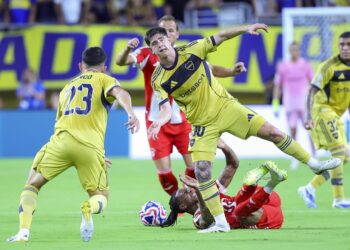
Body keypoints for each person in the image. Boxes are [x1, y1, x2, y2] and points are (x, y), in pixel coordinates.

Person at [145, 24, 341, 233]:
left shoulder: (193, 49)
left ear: (168, 40)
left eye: (161, 40)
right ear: (153, 50)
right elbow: (165, 109)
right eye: (155, 44)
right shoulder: (158, 79)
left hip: (227, 107)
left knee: (273, 133)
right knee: (202, 172)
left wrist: (245, 28)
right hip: (202, 125)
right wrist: (158, 121)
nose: (160, 45)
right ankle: (220, 223)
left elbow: (220, 35)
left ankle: (313, 164)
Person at [6, 47, 140, 243]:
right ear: (104, 67)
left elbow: (62, 121)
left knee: (32, 185)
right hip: (90, 148)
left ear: (80, 66)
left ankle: (23, 232)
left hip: (61, 142)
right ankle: (88, 208)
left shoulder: (66, 88)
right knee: (100, 195)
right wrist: (131, 113)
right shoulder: (104, 79)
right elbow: (121, 93)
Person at [116, 15, 246, 196]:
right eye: (163, 31)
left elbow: (211, 68)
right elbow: (121, 61)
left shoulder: (186, 53)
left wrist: (231, 71)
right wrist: (126, 49)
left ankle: (191, 199)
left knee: (194, 166)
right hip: (157, 121)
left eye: (170, 31)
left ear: (177, 34)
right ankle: (179, 202)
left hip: (183, 120)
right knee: (164, 172)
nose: (166, 35)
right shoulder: (148, 53)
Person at [160, 140, 287, 230]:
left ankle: (254, 184)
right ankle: (270, 182)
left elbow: (232, 165)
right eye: (185, 192)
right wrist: (198, 189)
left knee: (239, 201)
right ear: (183, 205)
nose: (189, 190)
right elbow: (208, 217)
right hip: (264, 217)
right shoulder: (197, 219)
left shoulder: (210, 191)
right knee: (238, 213)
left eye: (188, 189)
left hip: (266, 200)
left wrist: (224, 147)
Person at [298, 31, 350, 209]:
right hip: (321, 111)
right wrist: (308, 117)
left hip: (335, 115)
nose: (345, 48)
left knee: (344, 157)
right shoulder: (328, 66)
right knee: (340, 152)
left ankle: (309, 188)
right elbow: (311, 91)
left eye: (348, 45)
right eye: (342, 44)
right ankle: (339, 199)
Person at [273, 41, 314, 169]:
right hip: (290, 103)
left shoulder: (306, 65)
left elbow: (312, 84)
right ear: (289, 51)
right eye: (292, 50)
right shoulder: (283, 66)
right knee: (293, 130)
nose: (294, 52)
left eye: (296, 50)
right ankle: (295, 158)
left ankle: (314, 155)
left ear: (300, 51)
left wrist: (314, 100)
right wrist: (275, 102)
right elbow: (277, 85)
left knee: (310, 129)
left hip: (304, 103)